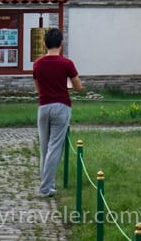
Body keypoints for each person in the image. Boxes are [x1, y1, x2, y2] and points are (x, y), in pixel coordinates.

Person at [33, 28, 83, 197]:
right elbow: (78, 86)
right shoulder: (66, 63)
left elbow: (38, 87)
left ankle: (48, 184)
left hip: (43, 106)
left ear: (44, 44)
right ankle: (45, 188)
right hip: (61, 106)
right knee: (55, 147)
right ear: (61, 44)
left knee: (45, 148)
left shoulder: (38, 63)